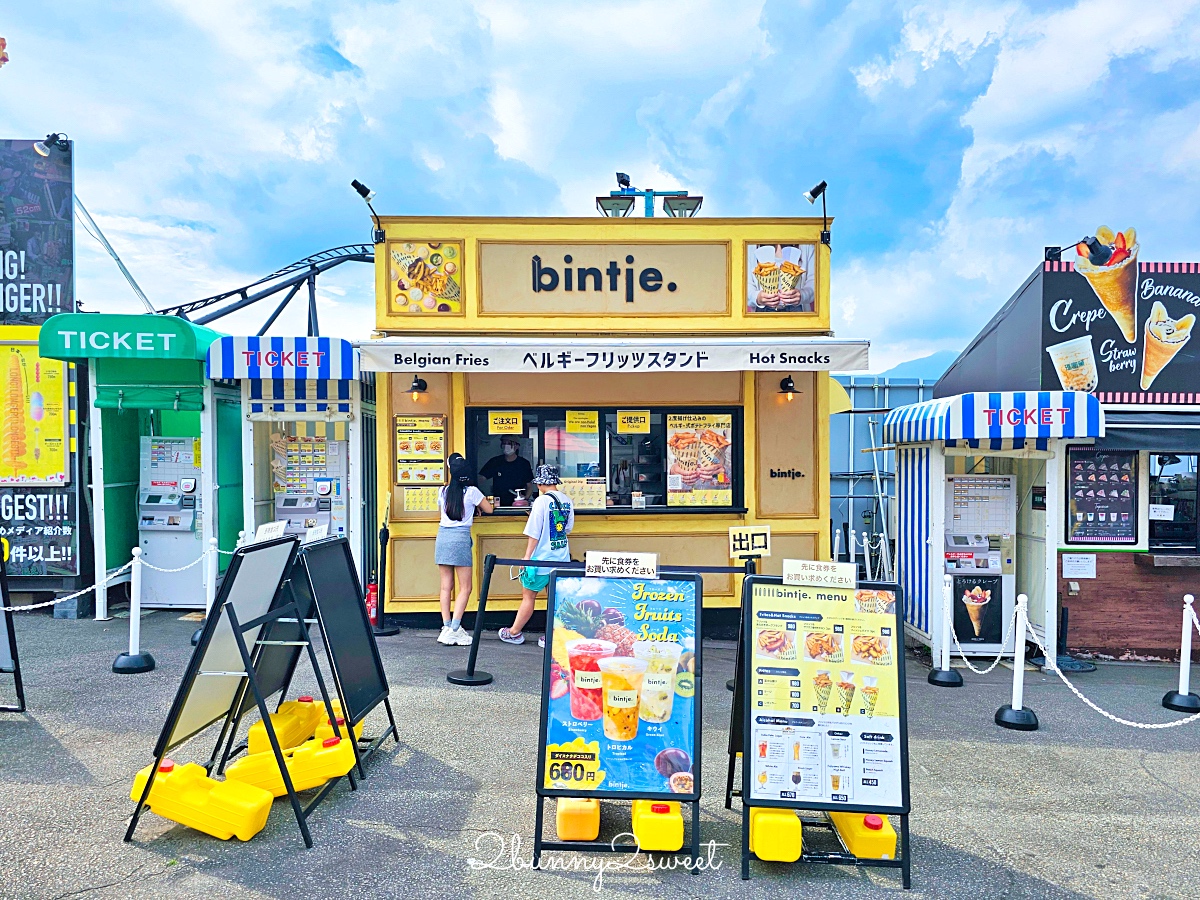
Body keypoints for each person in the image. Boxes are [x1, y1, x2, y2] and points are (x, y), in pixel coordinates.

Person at [499, 465, 574, 647]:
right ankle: (552, 637)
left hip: (541, 559)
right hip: (561, 559)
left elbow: (534, 532)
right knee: (556, 600)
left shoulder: (541, 502)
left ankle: (514, 632)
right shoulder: (567, 500)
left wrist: (527, 557)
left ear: (540, 483)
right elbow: (568, 528)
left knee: (528, 597)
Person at [435, 453, 493, 646]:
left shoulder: (442, 491)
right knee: (465, 587)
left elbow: (444, 512)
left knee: (446, 586)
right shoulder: (472, 491)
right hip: (460, 538)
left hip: (442, 537)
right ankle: (455, 629)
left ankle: (445, 626)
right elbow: (489, 509)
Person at [480, 436, 534, 506]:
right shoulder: (495, 462)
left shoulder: (523, 464)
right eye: (504, 443)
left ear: (517, 446)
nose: (506, 446)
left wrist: (525, 500)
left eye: (509, 443)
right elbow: (481, 478)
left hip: (518, 503)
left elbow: (529, 486)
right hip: (498, 503)